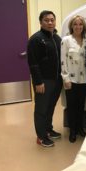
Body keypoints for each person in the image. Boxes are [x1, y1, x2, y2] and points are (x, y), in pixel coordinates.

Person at [27, 10, 63, 147]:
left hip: (57, 79)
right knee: (41, 109)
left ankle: (48, 129)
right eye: (46, 20)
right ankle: (41, 137)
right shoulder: (36, 39)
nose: (50, 22)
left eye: (52, 20)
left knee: (51, 106)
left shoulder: (57, 38)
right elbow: (33, 63)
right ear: (41, 22)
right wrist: (38, 81)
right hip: (44, 81)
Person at [61, 15, 86, 143]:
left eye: (80, 24)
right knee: (71, 106)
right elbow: (63, 61)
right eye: (75, 24)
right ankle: (72, 130)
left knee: (81, 105)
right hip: (71, 79)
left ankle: (79, 128)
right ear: (71, 26)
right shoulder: (66, 40)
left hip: (84, 78)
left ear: (83, 26)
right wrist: (65, 78)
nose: (78, 27)